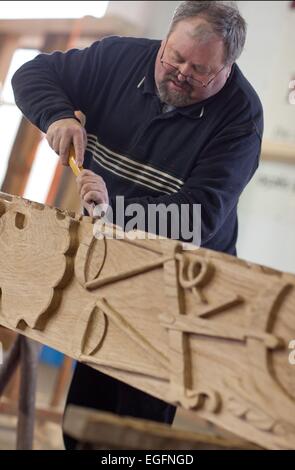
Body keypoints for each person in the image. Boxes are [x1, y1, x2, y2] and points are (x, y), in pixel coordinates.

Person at [12, 1, 263, 449]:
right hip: (112, 266)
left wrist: (115, 209)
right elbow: (32, 75)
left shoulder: (241, 120)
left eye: (199, 69)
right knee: (83, 418)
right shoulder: (120, 58)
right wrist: (58, 115)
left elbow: (197, 218)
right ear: (165, 39)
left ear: (227, 69)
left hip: (181, 284)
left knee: (134, 433)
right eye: (174, 56)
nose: (180, 72)